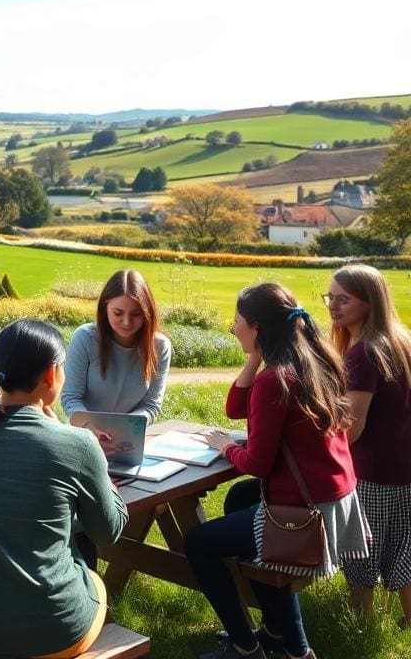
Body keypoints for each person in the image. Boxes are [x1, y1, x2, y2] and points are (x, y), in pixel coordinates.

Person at [184, 283, 369, 659]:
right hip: (334, 500)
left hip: (309, 514)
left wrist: (225, 447)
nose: (233, 328)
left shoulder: (276, 380)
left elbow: (257, 464)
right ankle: (283, 636)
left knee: (197, 543)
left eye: (237, 321)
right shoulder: (313, 362)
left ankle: (243, 646)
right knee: (239, 498)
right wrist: (255, 355)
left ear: (256, 327)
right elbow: (236, 408)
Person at [0, 319, 128, 658]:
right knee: (93, 578)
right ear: (51, 374)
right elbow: (107, 532)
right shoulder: (80, 444)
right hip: (56, 633)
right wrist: (107, 483)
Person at [325, 264, 411, 627]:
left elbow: (352, 427)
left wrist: (321, 447)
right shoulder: (401, 340)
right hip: (403, 468)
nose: (333, 305)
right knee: (403, 551)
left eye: (343, 299)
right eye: (330, 297)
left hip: (371, 474)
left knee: (361, 554)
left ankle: (361, 630)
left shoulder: (363, 353)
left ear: (369, 303)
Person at [61, 268, 171, 441]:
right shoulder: (86, 338)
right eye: (118, 313)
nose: (126, 322)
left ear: (147, 313)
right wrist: (89, 427)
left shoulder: (159, 346)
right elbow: (70, 397)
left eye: (136, 314)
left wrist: (124, 428)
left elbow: (151, 405)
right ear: (105, 307)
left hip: (128, 439)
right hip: (82, 435)